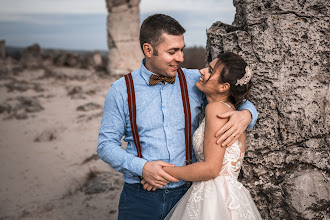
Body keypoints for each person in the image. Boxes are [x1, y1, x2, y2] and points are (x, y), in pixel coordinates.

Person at [97, 14, 258, 220]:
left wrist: (246, 114)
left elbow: (234, 96)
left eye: (182, 49)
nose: (181, 58)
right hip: (140, 196)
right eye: (172, 52)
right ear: (148, 50)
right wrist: (143, 167)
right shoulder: (121, 90)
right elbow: (105, 145)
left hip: (188, 194)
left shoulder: (195, 81)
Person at [142, 52, 262, 219]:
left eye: (210, 71)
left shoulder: (216, 110)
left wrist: (163, 173)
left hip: (212, 198)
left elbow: (211, 169)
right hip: (229, 197)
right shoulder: (231, 112)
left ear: (224, 87)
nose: (201, 71)